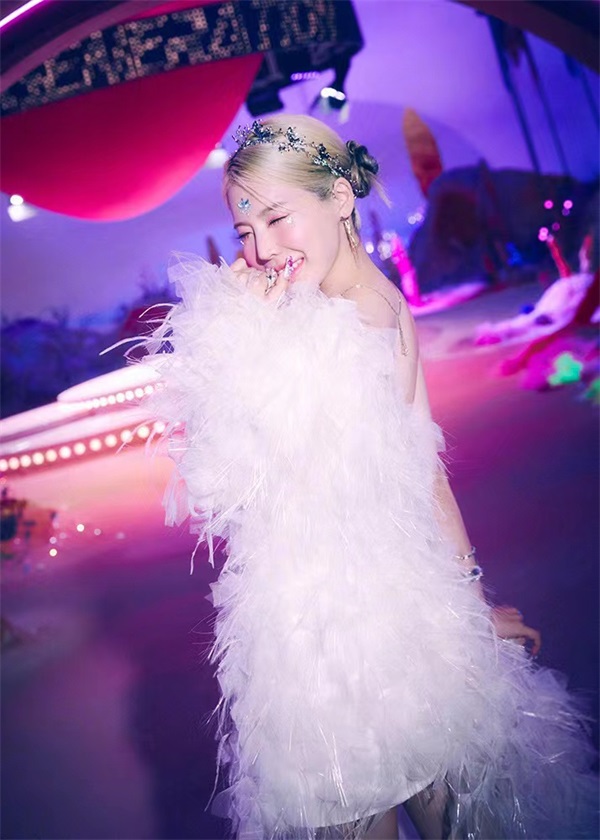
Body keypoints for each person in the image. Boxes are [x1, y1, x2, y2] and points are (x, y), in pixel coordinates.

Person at [140, 115, 598, 839]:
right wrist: (468, 602)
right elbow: (423, 470)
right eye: (245, 230)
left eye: (277, 218)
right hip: (387, 624)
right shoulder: (363, 302)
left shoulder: (341, 325)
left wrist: (239, 344)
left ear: (339, 198)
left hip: (334, 640)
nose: (260, 250)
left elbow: (235, 483)